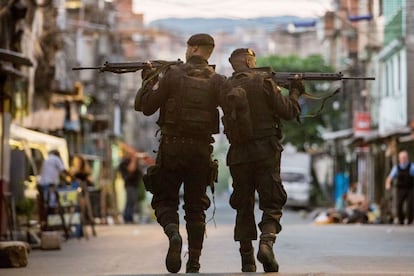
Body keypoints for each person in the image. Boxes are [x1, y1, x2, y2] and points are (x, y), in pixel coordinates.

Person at [134, 33, 226, 273]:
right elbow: (234, 110)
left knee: (165, 199)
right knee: (196, 208)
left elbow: (146, 108)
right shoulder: (217, 80)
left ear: (193, 48)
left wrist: (148, 81)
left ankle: (174, 233)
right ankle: (194, 260)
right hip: (200, 151)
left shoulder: (172, 75)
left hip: (173, 147)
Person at [220, 48, 303, 272]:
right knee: (272, 201)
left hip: (238, 155)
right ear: (248, 61)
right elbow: (288, 111)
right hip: (266, 151)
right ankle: (266, 243)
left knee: (243, 205)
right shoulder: (264, 82)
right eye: (253, 61)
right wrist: (295, 92)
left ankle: (246, 258)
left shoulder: (225, 87)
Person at [37, 150, 71, 230]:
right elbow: (63, 170)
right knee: (51, 204)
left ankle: (47, 225)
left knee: (46, 204)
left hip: (42, 185)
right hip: (49, 185)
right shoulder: (56, 159)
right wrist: (71, 178)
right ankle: (50, 225)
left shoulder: (47, 159)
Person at [385, 150, 414, 225]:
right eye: (401, 158)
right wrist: (388, 184)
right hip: (400, 188)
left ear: (407, 158)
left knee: (410, 204)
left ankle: (409, 220)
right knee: (399, 204)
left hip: (410, 188)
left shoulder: (411, 166)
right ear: (399, 159)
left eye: (404, 157)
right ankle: (401, 219)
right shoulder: (396, 168)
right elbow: (390, 177)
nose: (403, 159)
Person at [118, 151, 144, 224]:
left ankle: (129, 217)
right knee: (130, 201)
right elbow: (131, 169)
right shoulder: (124, 163)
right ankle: (127, 218)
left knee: (133, 201)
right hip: (129, 184)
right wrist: (134, 159)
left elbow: (139, 172)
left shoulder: (133, 162)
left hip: (135, 185)